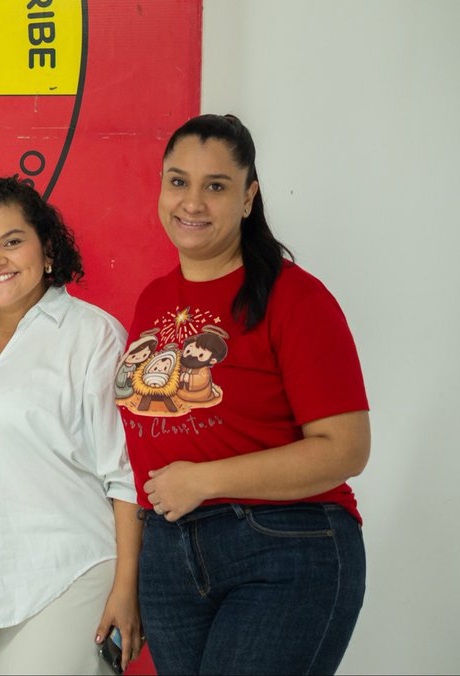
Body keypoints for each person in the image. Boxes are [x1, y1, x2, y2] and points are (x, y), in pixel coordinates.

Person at [119, 114, 369, 674]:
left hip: (284, 545)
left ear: (248, 196)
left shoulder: (296, 298)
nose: (193, 202)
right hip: (169, 554)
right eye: (179, 181)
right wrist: (131, 575)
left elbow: (345, 448)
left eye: (217, 185)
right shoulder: (154, 299)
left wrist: (204, 480)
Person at [0, 177, 142, 675]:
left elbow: (125, 476)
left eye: (12, 241)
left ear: (48, 247)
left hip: (68, 574)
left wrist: (127, 588)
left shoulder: (92, 335)